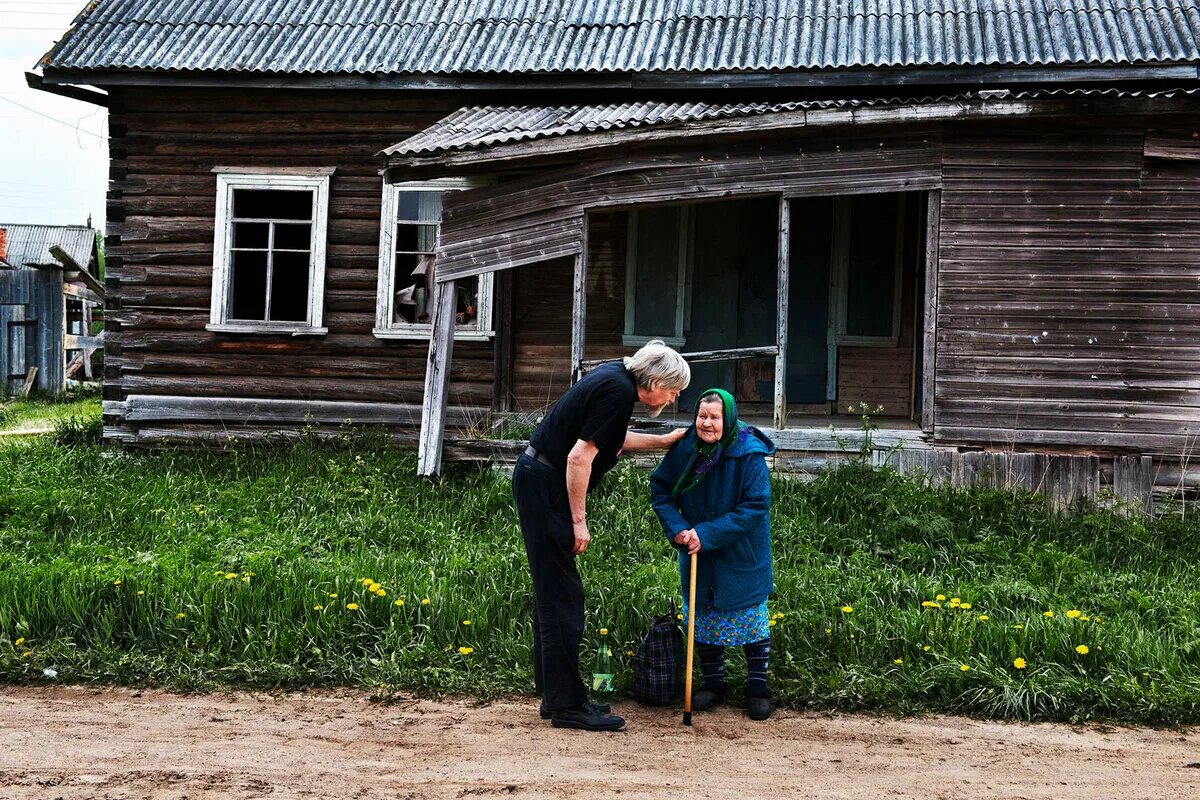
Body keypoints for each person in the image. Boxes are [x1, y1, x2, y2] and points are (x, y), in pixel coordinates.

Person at [513, 340, 690, 732]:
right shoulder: (618, 390)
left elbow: (613, 438)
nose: (674, 397)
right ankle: (567, 706)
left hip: (537, 479)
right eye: (674, 390)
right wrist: (579, 521)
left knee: (554, 592)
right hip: (547, 488)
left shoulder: (616, 379)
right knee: (563, 596)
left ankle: (556, 696)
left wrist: (662, 442)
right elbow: (579, 457)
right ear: (656, 380)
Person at [649, 388, 777, 720]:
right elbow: (660, 490)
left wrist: (706, 533)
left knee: (750, 619)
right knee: (703, 616)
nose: (707, 423)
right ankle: (714, 683)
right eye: (702, 416)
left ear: (728, 419)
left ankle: (758, 687)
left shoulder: (748, 454)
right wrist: (678, 528)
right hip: (694, 547)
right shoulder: (685, 449)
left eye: (714, 417)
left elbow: (755, 506)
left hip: (740, 550)